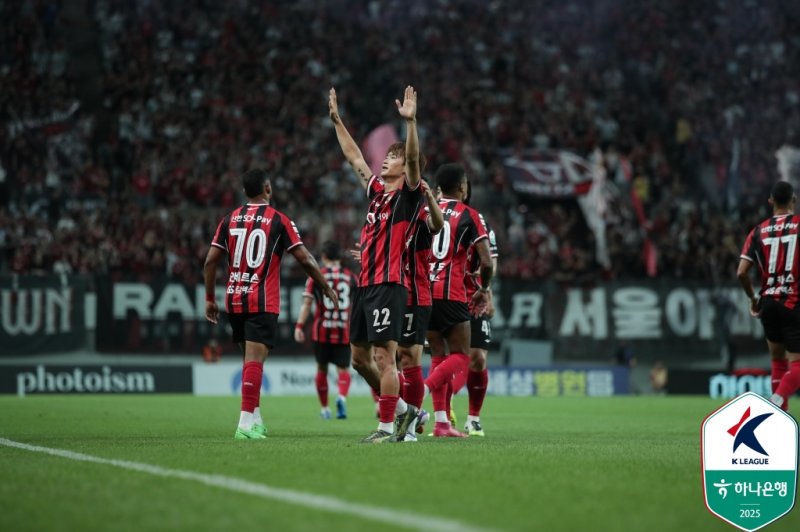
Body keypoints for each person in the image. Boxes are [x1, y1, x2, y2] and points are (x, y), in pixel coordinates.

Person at [203, 168, 338, 439]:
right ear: (268, 188)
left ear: (244, 191)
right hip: (262, 300)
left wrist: (209, 299)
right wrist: (324, 285)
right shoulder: (279, 219)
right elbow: (305, 258)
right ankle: (244, 425)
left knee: (250, 360)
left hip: (234, 298)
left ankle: (255, 419)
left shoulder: (229, 219)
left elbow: (209, 261)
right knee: (255, 360)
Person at [329, 86, 422, 443]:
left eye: (393, 157)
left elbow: (413, 159)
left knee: (385, 358)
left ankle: (386, 428)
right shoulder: (376, 194)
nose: (385, 160)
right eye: (386, 155)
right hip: (364, 285)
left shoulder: (408, 197)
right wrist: (337, 121)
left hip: (389, 284)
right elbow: (354, 157)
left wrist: (410, 123)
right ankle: (404, 411)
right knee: (358, 359)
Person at [425, 163, 493, 438]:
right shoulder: (470, 215)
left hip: (423, 292)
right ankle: (422, 392)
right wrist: (484, 288)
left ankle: (441, 423)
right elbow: (487, 262)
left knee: (437, 355)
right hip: (452, 293)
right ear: (463, 187)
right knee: (461, 355)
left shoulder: (425, 211)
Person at [737, 180, 800, 412]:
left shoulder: (757, 231)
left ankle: (780, 416)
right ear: (794, 199)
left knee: (778, 361)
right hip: (793, 302)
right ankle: (777, 399)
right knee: (797, 364)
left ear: (771, 201)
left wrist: (753, 299)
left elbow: (741, 272)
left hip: (768, 303)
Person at [395, 176, 443, 441]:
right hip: (389, 292)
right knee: (380, 358)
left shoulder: (422, 212)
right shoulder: (389, 210)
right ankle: (411, 413)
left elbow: (437, 224)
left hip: (415, 293)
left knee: (407, 358)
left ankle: (410, 429)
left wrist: (430, 197)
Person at [450, 194, 498, 437]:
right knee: (448, 357)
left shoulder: (479, 222)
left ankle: (473, 419)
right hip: (446, 296)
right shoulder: (434, 220)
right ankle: (443, 409)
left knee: (477, 357)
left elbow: (491, 261)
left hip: (474, 297)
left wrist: (487, 292)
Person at [294, 241, 357, 420]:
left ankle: (325, 409)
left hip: (322, 330)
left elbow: (307, 304)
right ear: (340, 257)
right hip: (343, 330)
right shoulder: (351, 277)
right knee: (343, 370)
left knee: (322, 369)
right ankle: (341, 397)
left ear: (323, 256)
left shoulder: (316, 275)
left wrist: (299, 326)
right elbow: (359, 304)